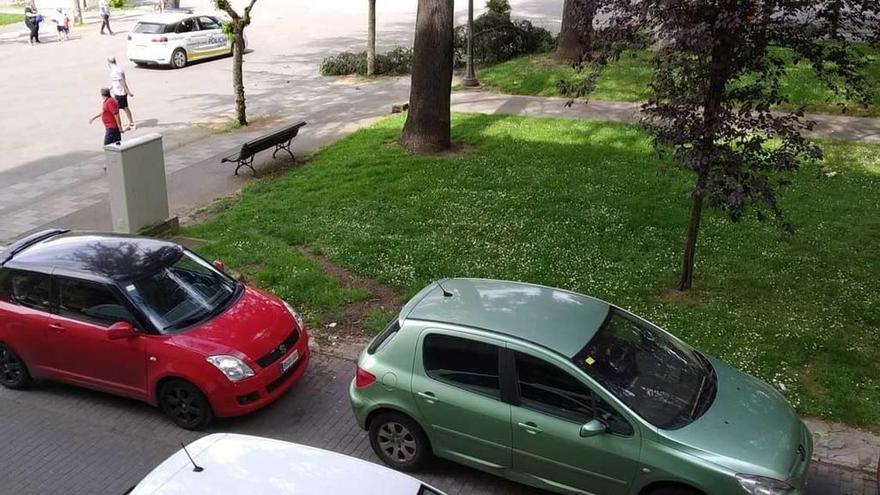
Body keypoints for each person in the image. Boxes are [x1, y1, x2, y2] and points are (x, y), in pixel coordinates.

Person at [108, 57, 135, 129]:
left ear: (109, 63)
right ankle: (131, 123)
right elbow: (116, 81)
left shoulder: (115, 71)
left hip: (119, 93)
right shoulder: (118, 69)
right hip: (119, 91)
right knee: (125, 107)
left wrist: (127, 91)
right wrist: (110, 87)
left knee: (116, 110)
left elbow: (121, 81)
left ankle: (119, 125)